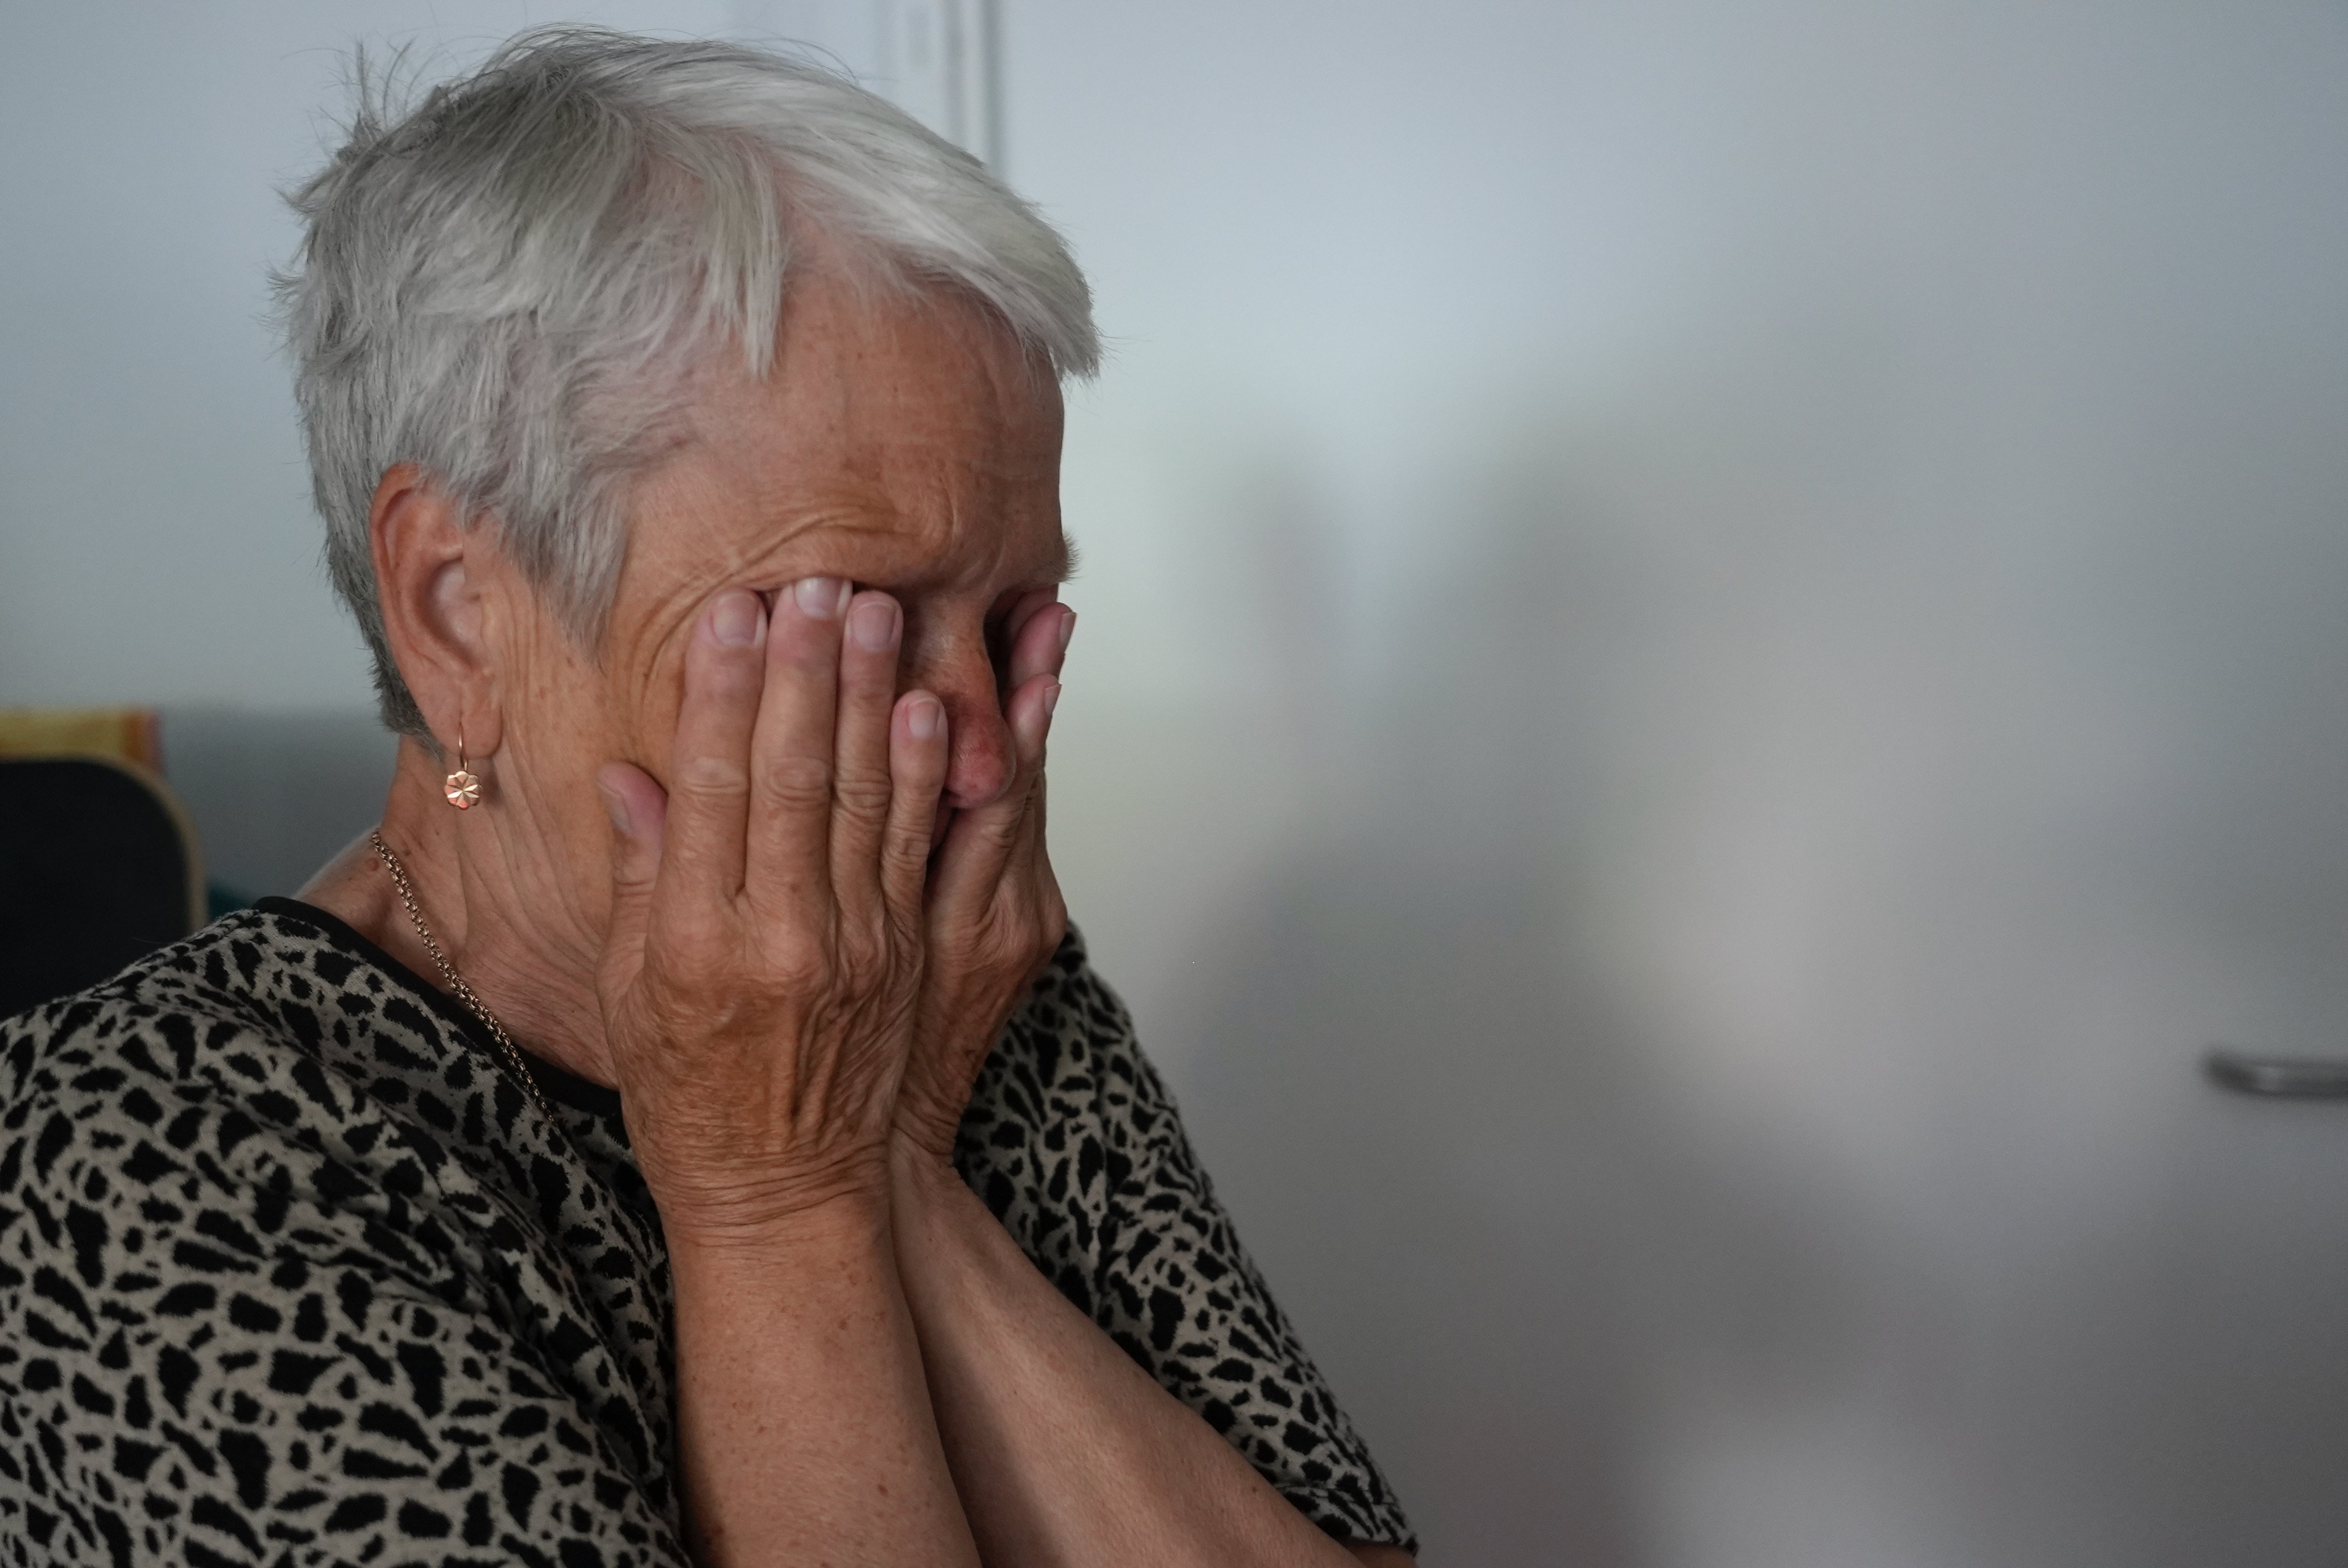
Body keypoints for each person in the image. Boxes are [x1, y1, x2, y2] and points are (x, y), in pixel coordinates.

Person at [0, 28, 1415, 1568]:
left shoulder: (954, 968)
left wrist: (893, 1158)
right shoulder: (128, 1157)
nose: (985, 757)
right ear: (461, 609)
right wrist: (782, 1198)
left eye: (1011, 620)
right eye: (852, 615)